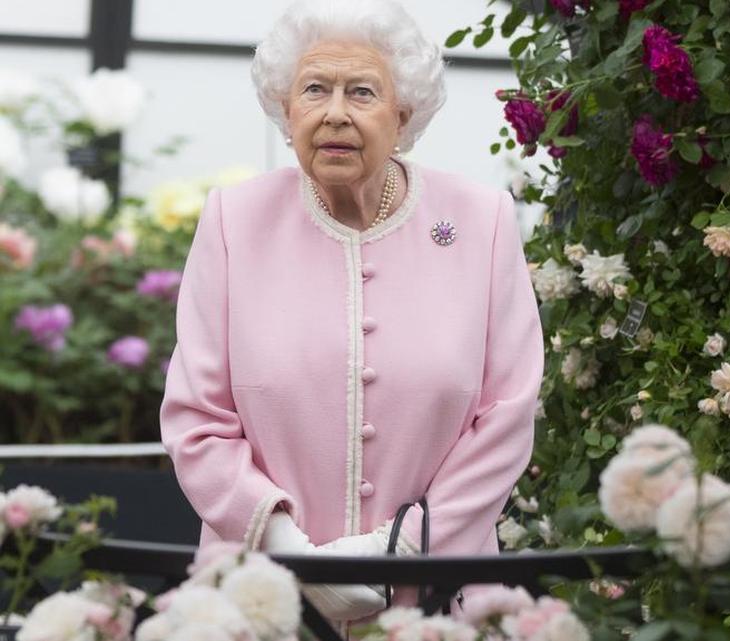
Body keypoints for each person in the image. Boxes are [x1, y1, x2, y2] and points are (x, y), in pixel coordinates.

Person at [159, 0, 543, 626]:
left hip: (437, 596)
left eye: (361, 91)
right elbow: (197, 420)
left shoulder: (483, 221)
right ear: (288, 112)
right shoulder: (233, 221)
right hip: (264, 598)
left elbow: (507, 415)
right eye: (314, 89)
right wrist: (292, 555)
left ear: (403, 113)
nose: (335, 112)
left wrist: (396, 551)